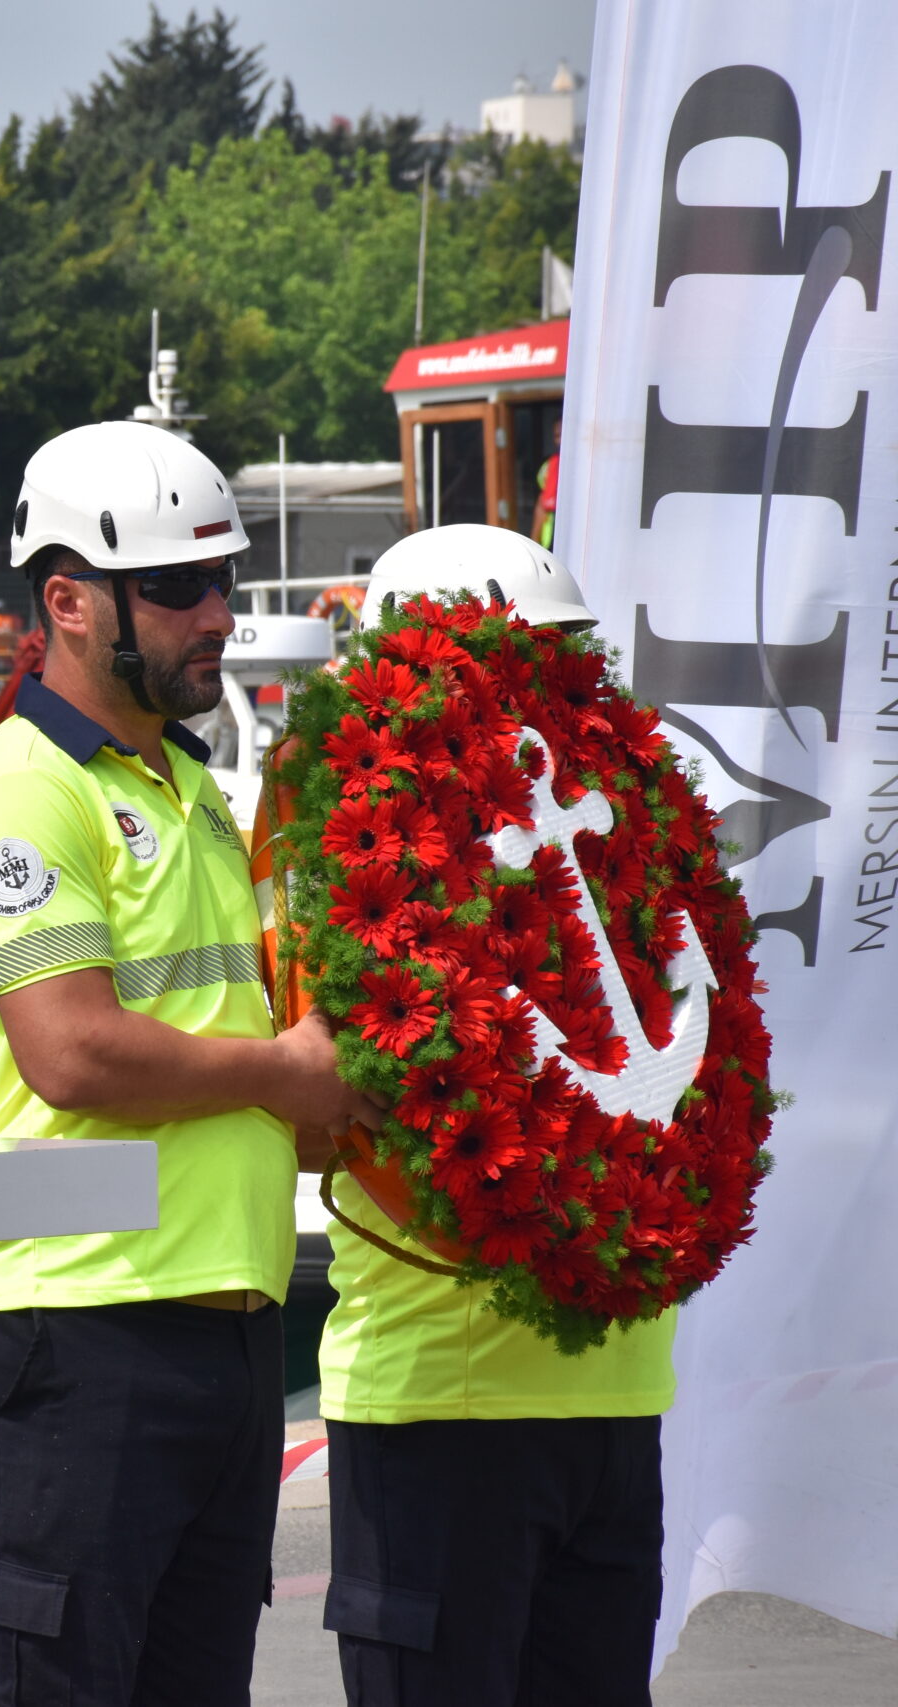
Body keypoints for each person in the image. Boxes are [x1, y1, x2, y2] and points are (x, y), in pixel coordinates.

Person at [0, 420, 383, 1706]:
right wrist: (289, 1077)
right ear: (67, 600)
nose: (217, 615)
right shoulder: (20, 790)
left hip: (213, 1328)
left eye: (220, 580)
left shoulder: (186, 783)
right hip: (73, 1330)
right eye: (175, 587)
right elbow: (67, 1051)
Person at [249, 525, 671, 1707]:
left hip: (610, 1380)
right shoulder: (335, 826)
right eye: (504, 662)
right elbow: (319, 1100)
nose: (530, 693)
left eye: (546, 660)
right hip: (446, 1389)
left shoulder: (616, 815)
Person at [530, 416, 562, 549]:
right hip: (549, 542)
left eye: (563, 434)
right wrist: (534, 544)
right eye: (557, 436)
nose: (560, 440)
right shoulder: (549, 467)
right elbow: (541, 503)